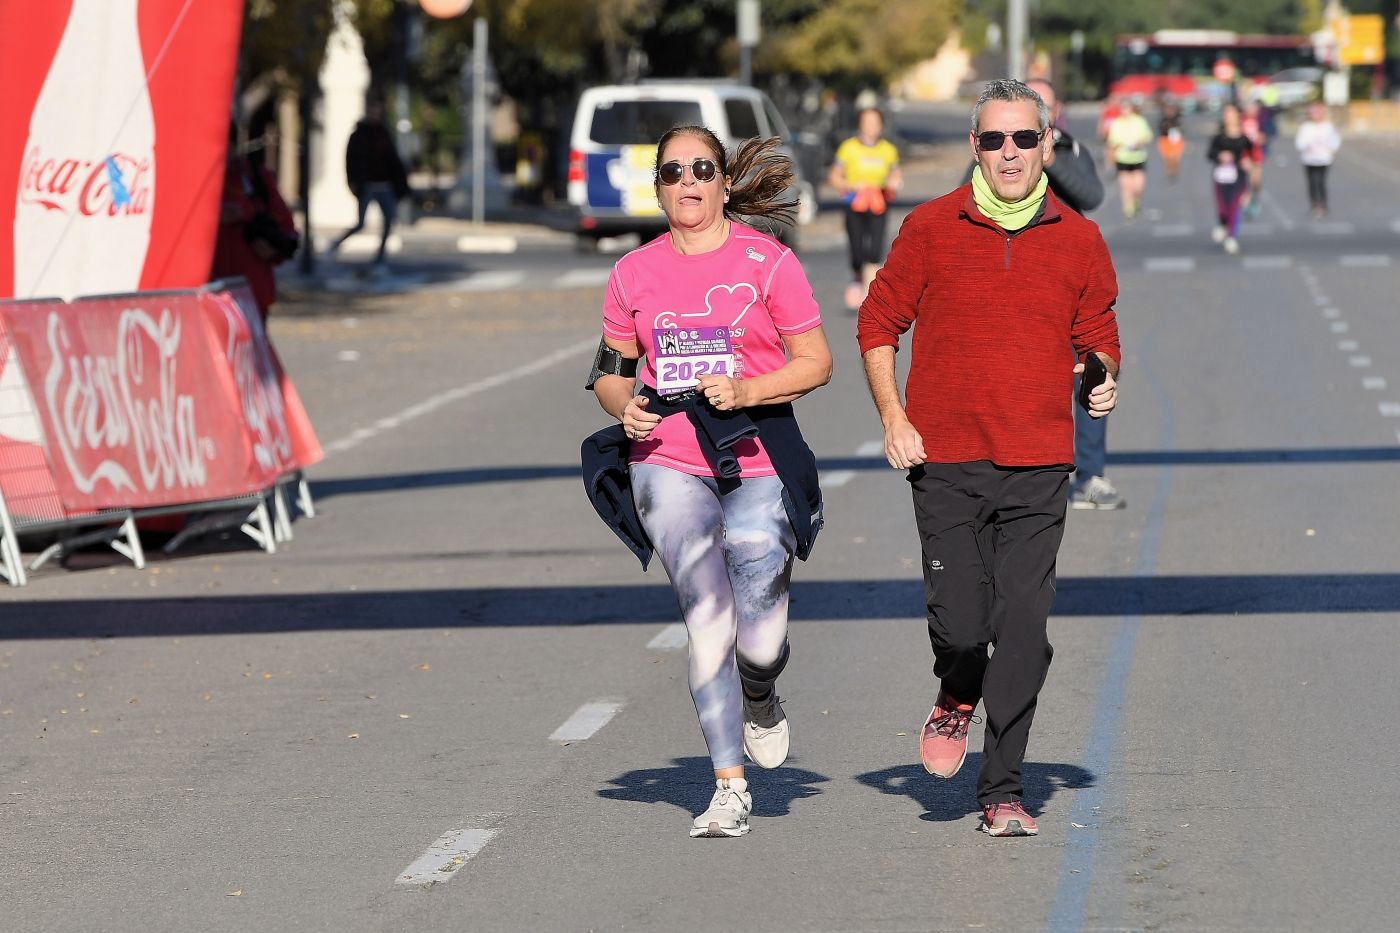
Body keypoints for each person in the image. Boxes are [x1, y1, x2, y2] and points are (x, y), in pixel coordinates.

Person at [857, 78, 1121, 838]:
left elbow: (1098, 336)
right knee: (964, 628)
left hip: (1039, 463)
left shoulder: (1078, 238)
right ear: (975, 146)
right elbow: (880, 322)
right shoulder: (933, 227)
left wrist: (1101, 380)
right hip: (944, 458)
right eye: (995, 139)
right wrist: (893, 415)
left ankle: (1002, 788)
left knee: (1027, 630)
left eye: (1025, 139)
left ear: (1047, 146)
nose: (1011, 153)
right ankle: (957, 687)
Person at [585, 126, 832, 839]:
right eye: (671, 171)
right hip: (665, 455)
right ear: (658, 188)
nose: (687, 181)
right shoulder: (633, 274)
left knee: (758, 636)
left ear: (725, 182)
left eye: (701, 168)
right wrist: (621, 405)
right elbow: (609, 372)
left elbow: (816, 362)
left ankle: (761, 689)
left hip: (755, 454)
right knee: (708, 619)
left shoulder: (769, 262)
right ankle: (728, 784)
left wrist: (748, 388)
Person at [210, 126, 299, 322]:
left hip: (253, 286)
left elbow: (284, 222)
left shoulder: (253, 177)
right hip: (212, 288)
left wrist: (245, 213)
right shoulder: (198, 181)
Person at [828, 107, 903, 311]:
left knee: (875, 249)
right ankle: (857, 278)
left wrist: (893, 183)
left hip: (879, 202)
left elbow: (896, 175)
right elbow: (834, 176)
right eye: (867, 122)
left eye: (875, 122)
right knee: (857, 250)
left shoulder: (888, 149)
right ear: (860, 124)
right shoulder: (848, 148)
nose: (871, 127)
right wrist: (850, 186)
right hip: (854, 203)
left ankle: (870, 294)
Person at [328, 99, 409, 267]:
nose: (375, 115)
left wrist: (401, 185)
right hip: (367, 185)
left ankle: (380, 257)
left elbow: (394, 161)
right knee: (360, 223)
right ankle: (336, 244)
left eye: (378, 112)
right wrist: (352, 181)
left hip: (385, 185)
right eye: (372, 112)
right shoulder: (359, 135)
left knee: (389, 221)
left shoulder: (385, 133)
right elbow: (350, 160)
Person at [1207, 104, 1254, 255]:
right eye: (1226, 114)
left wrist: (1248, 162)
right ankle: (1223, 224)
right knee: (1223, 207)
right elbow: (1210, 154)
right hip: (1221, 177)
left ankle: (1232, 237)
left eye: (1231, 113)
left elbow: (1253, 154)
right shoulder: (1218, 138)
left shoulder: (1244, 137)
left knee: (1234, 206)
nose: (1228, 116)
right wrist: (1220, 156)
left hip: (1239, 176)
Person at [1105, 98, 1153, 220]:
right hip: (1122, 158)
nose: (1125, 111)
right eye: (1123, 109)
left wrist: (1139, 143)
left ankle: (1136, 201)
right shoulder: (1117, 123)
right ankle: (1128, 210)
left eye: (1127, 108)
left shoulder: (1139, 121)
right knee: (1126, 186)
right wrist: (1110, 159)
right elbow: (1111, 142)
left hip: (1138, 157)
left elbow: (1147, 136)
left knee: (1138, 186)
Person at [1295, 101, 1341, 219]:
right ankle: (1314, 203)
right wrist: (1306, 147)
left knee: (1320, 181)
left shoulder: (1328, 126)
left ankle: (1323, 203)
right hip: (1309, 159)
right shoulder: (1306, 127)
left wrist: (1332, 150)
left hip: (1324, 159)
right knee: (1312, 182)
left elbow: (1335, 140)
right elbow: (1300, 143)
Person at [1156, 98, 1186, 184]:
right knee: (1168, 158)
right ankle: (1169, 172)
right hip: (1166, 140)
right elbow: (1161, 129)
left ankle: (1175, 171)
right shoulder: (1163, 120)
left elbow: (1183, 129)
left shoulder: (1179, 119)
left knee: (1176, 158)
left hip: (1177, 141)